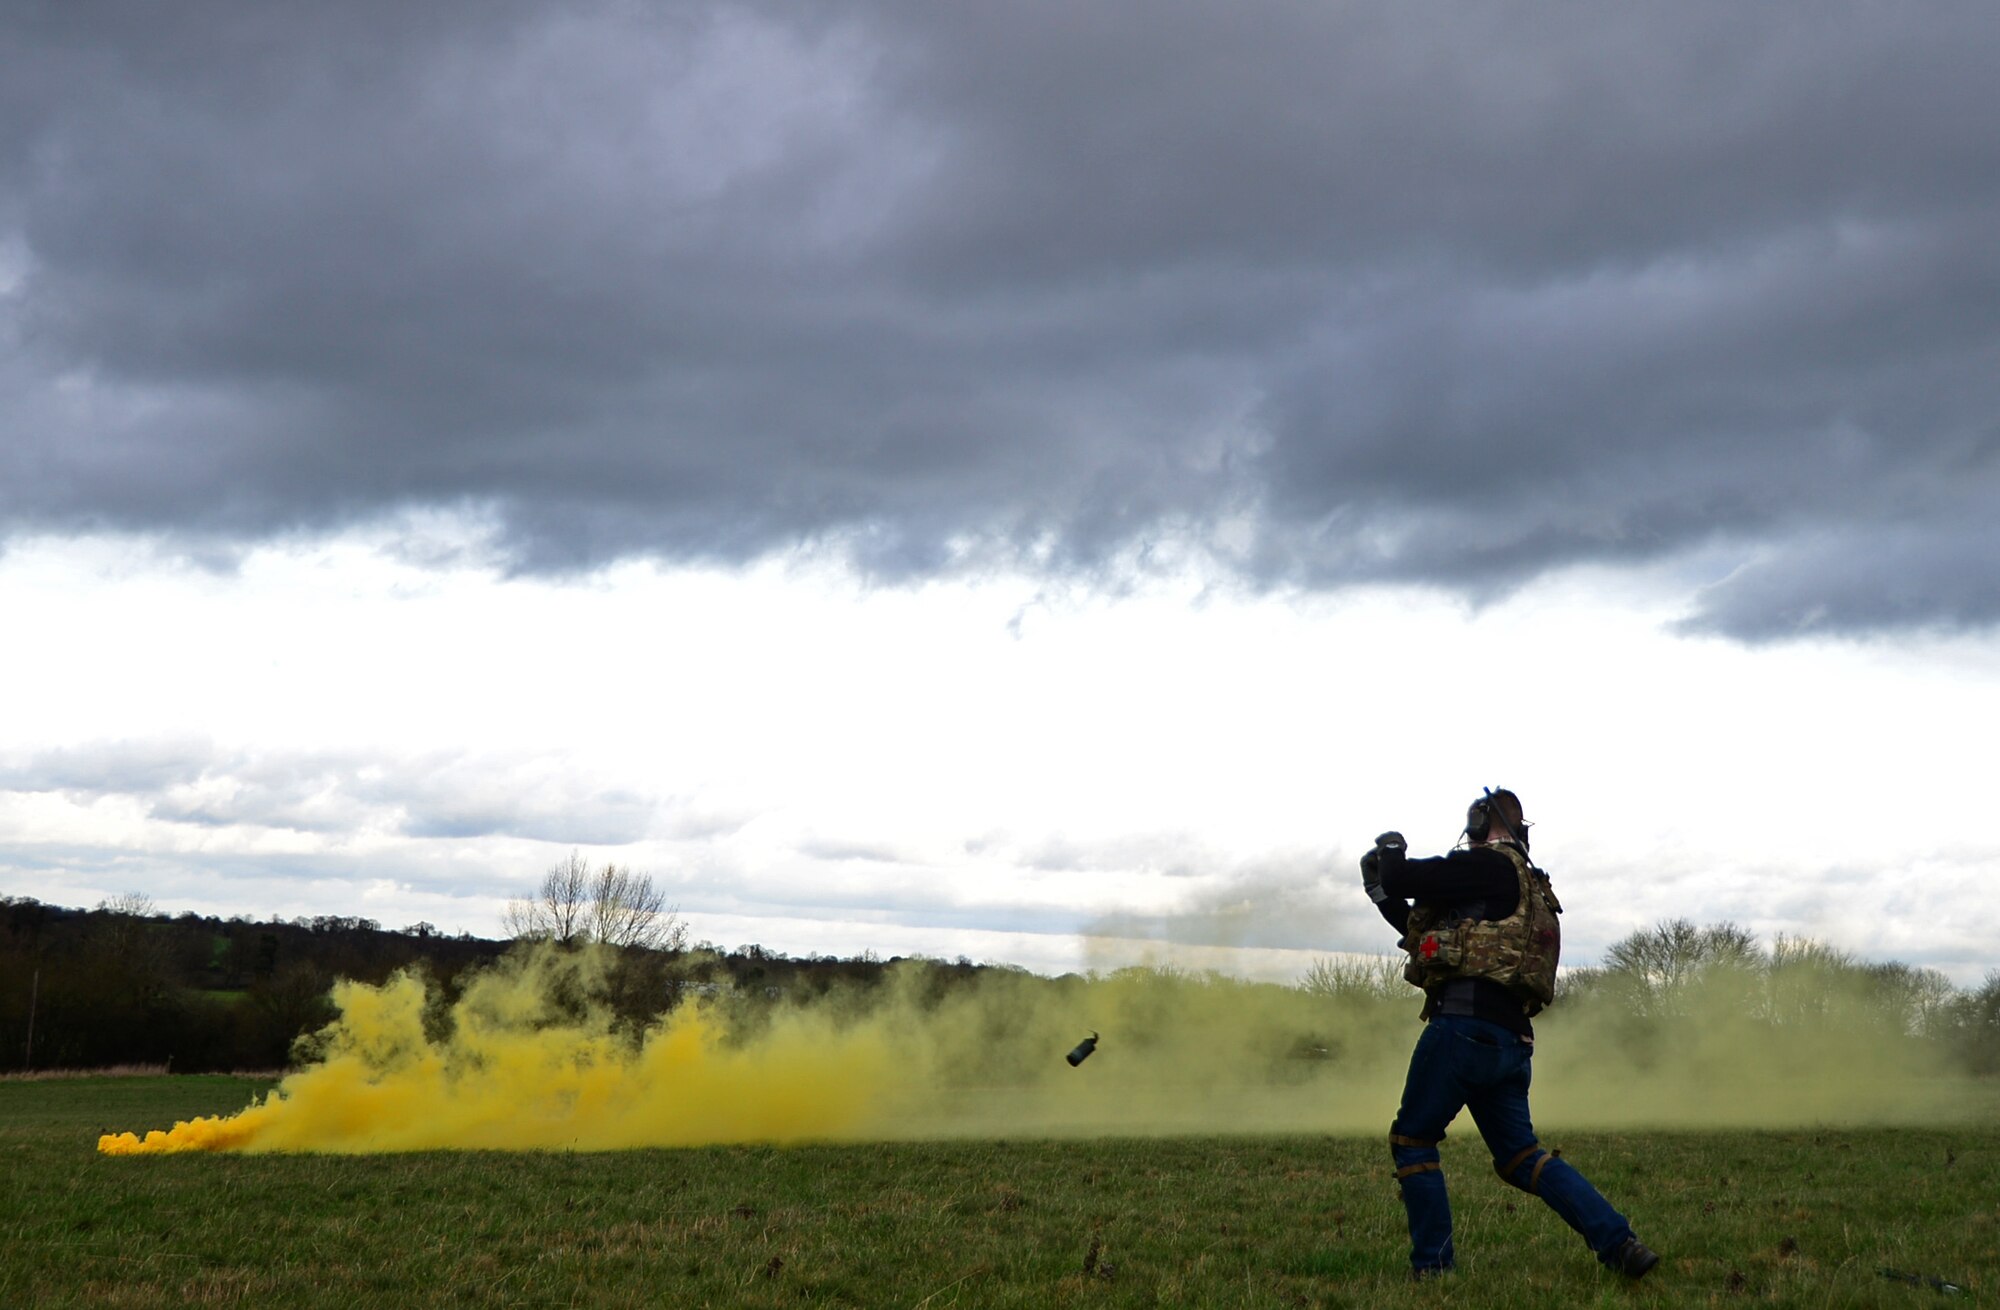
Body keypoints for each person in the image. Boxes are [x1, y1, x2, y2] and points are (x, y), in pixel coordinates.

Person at [1359, 787, 1659, 1281]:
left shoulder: (1487, 864)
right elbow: (1421, 927)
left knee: (1412, 1140)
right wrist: (1380, 893)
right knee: (1522, 1158)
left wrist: (1389, 850)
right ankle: (1620, 1244)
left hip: (1462, 1029)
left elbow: (1405, 875)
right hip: (1511, 1043)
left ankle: (1432, 1269)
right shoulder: (1528, 886)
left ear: (1481, 824)